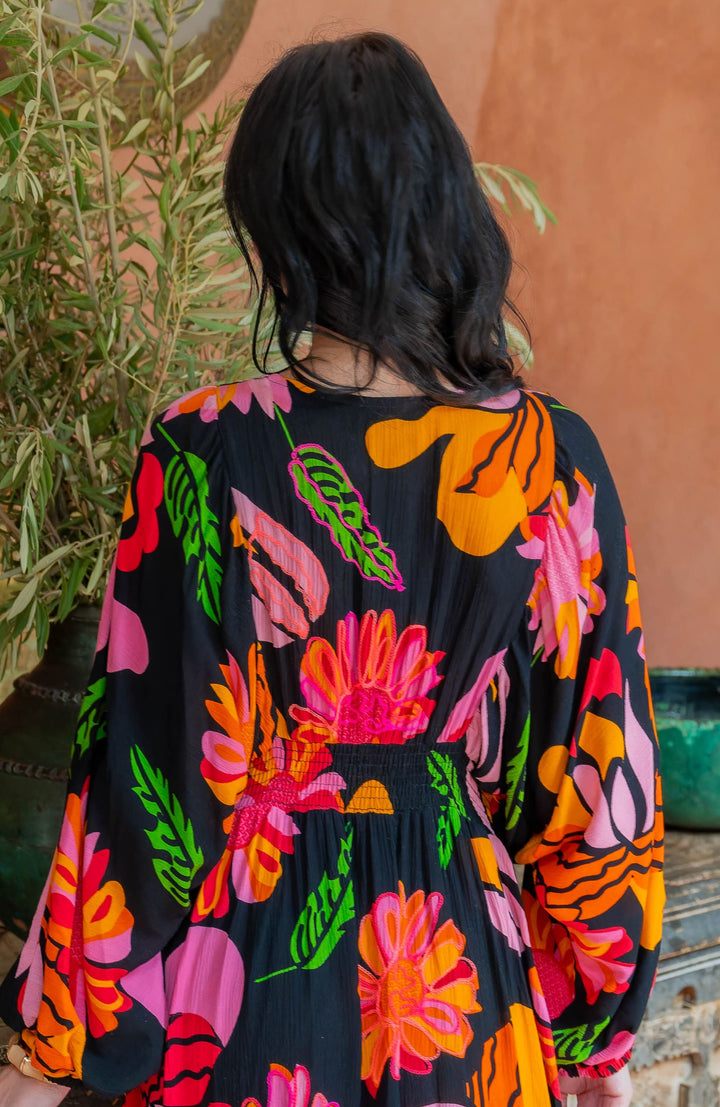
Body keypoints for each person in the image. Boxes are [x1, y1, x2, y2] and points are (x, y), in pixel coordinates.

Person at [0, 32, 663, 1107]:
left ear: (280, 225)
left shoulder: (205, 450)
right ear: (444, 205)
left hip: (245, 987)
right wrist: (595, 1042)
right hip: (463, 994)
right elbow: (594, 785)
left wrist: (46, 1050)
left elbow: (146, 783)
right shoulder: (551, 463)